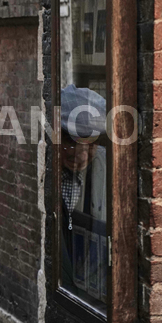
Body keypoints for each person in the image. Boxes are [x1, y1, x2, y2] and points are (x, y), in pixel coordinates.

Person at [58, 85, 107, 296]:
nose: (81, 154)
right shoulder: (42, 170)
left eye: (90, 145)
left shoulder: (112, 171)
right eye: (71, 144)